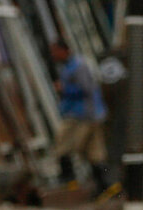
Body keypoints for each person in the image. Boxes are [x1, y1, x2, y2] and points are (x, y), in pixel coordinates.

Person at [49, 41, 110, 197]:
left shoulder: (78, 66)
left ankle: (69, 180)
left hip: (82, 115)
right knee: (94, 152)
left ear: (64, 50)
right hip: (90, 114)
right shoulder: (71, 66)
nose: (54, 55)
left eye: (56, 51)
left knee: (64, 144)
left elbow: (87, 89)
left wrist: (64, 88)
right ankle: (105, 185)